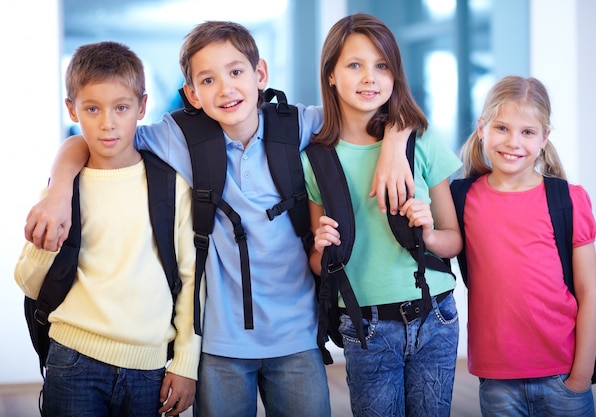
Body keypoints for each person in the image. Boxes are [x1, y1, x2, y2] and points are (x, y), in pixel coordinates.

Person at [22, 21, 415, 417]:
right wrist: (58, 191)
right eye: (207, 80)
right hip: (218, 345)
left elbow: (376, 115)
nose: (226, 89)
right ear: (192, 94)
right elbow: (94, 139)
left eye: (236, 72)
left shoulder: (298, 124)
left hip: (296, 337)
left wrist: (396, 145)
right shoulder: (178, 136)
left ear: (260, 74)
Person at [14, 41, 200, 417]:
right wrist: (47, 235)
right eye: (92, 109)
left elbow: (192, 279)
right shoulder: (65, 188)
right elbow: (29, 282)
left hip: (149, 369)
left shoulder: (170, 186)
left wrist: (185, 364)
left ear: (142, 107)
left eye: (121, 107)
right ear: (72, 109)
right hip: (72, 360)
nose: (107, 123)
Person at [302, 14, 463, 417]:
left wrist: (428, 234)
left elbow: (454, 239)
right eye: (355, 65)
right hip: (365, 325)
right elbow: (320, 265)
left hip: (435, 315)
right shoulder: (315, 161)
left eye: (381, 66)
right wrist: (321, 246)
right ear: (332, 75)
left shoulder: (420, 141)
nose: (369, 78)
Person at [452, 75, 596, 416]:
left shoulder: (568, 199)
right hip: (497, 381)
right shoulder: (462, 198)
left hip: (563, 374)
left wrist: (580, 376)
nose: (513, 142)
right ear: (482, 128)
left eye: (527, 132)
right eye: (502, 128)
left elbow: (588, 291)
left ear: (545, 138)